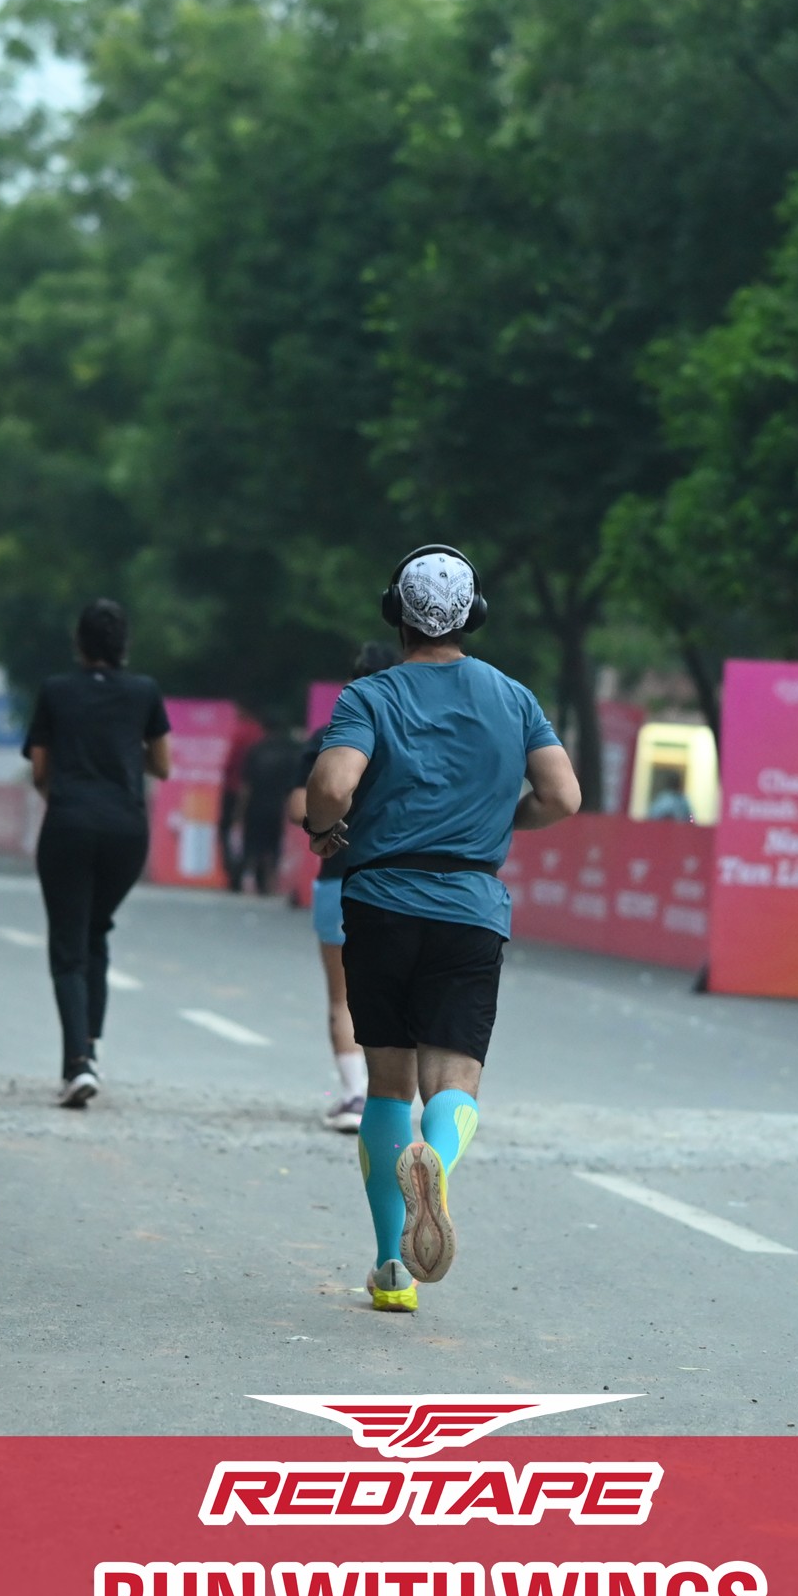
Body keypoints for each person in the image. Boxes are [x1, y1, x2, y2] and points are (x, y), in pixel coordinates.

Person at [302, 548, 579, 1314]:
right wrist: (504, 821)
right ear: (474, 615)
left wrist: (323, 829)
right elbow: (562, 795)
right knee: (454, 1082)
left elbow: (331, 784)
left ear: (395, 614)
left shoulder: (370, 695)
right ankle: (439, 1160)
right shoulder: (513, 697)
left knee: (388, 1086)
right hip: (471, 909)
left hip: (382, 904)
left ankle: (392, 1270)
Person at [24, 598, 171, 1107]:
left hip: (68, 825)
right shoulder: (144, 692)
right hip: (126, 831)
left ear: (79, 643)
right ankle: (90, 1047)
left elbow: (39, 769)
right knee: (96, 929)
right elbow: (163, 765)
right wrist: (122, 751)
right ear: (124, 644)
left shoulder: (56, 691)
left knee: (69, 946)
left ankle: (77, 1064)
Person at [289, 643, 400, 1132]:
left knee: (343, 996)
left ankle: (355, 1095)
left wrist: (329, 821)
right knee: (394, 991)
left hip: (339, 876)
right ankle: (392, 1099)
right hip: (400, 880)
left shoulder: (329, 737)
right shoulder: (413, 737)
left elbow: (299, 808)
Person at [234, 722, 300, 896]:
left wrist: (239, 811)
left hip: (255, 806)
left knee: (252, 846)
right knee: (273, 847)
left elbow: (246, 785)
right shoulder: (289, 754)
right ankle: (268, 883)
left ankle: (243, 880)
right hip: (277, 807)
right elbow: (292, 786)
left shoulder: (256, 751)